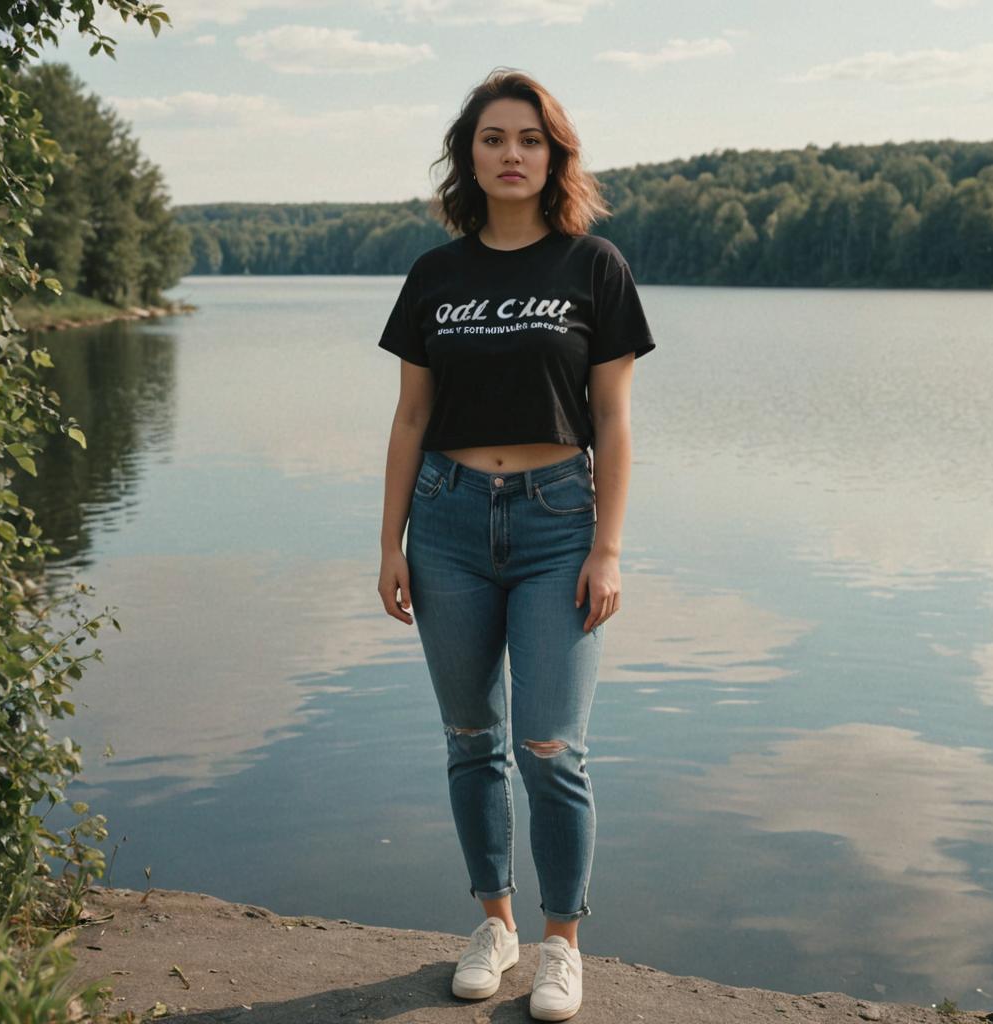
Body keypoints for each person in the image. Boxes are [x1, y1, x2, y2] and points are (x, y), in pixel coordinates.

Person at [376, 67, 656, 1022]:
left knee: (550, 746)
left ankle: (562, 943)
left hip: (556, 523)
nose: (511, 154)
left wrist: (607, 548)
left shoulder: (593, 266)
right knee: (470, 739)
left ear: (554, 155)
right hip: (447, 522)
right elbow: (410, 418)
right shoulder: (435, 276)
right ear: (469, 154)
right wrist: (391, 544)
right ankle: (493, 924)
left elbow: (613, 422)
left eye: (529, 139)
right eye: (494, 138)